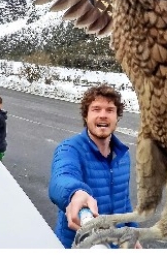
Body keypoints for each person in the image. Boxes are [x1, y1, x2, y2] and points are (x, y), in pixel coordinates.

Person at [48, 85, 140, 248]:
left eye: (110, 110)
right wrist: (75, 193)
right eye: (96, 109)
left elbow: (124, 201)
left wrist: (133, 234)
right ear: (86, 115)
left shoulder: (122, 155)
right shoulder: (69, 149)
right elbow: (61, 177)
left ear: (117, 117)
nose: (103, 115)